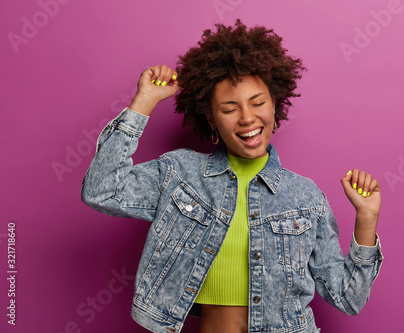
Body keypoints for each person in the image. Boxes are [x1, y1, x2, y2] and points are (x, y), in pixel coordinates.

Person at [81, 19, 383, 333]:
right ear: (211, 118)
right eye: (229, 108)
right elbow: (102, 190)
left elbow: (349, 298)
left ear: (275, 105)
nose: (248, 118)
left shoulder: (305, 196)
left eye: (258, 103)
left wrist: (367, 218)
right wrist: (144, 101)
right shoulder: (179, 174)